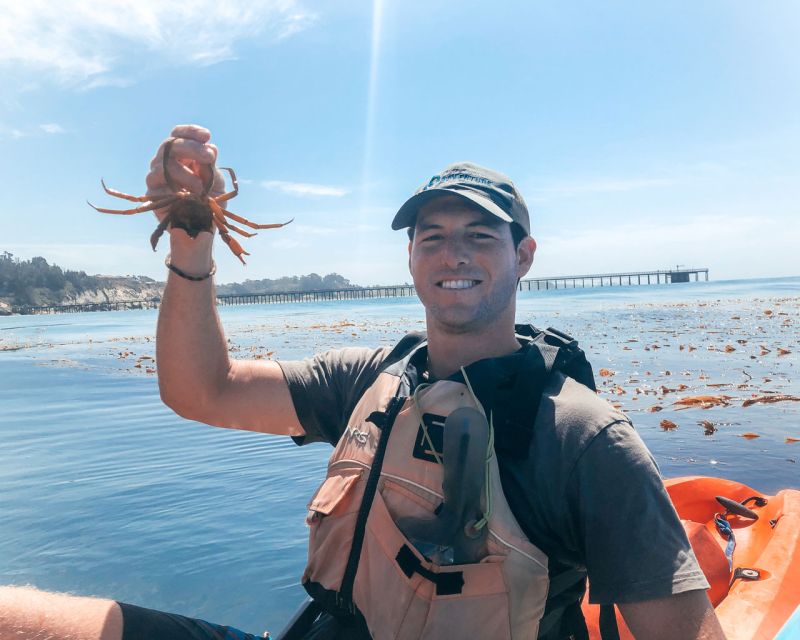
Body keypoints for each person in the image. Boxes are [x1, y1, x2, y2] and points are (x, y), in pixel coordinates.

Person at [0, 125, 726, 640]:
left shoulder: (584, 437)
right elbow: (203, 390)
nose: (454, 253)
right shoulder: (372, 378)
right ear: (411, 259)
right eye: (432, 237)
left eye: (480, 235)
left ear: (524, 255)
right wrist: (191, 237)